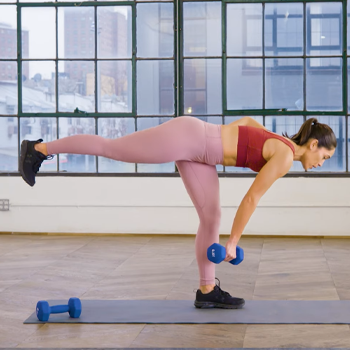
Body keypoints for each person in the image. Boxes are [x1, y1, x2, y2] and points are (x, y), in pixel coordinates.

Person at [18, 116, 337, 309]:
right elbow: (252, 198)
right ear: (312, 145)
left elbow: (246, 125)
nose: (322, 163)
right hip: (190, 139)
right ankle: (39, 149)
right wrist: (233, 242)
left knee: (211, 216)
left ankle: (207, 291)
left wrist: (221, 143)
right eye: (324, 155)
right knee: (112, 148)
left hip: (202, 153)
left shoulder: (278, 142)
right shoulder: (283, 157)